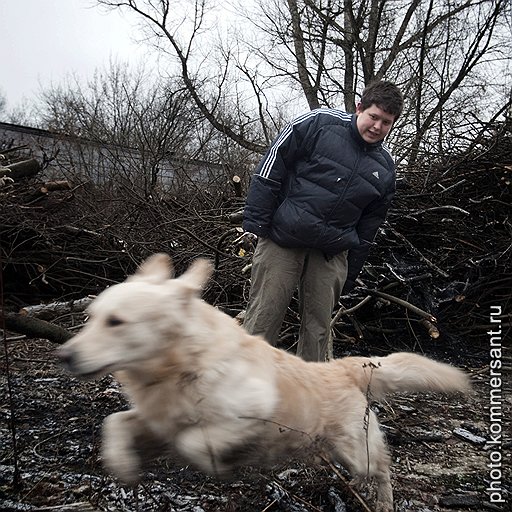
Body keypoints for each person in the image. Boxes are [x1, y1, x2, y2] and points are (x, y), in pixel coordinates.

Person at [242, 80, 404, 362]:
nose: (377, 126)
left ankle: (313, 395)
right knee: (263, 317)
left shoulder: (385, 167)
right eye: (373, 117)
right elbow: (271, 166)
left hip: (331, 252)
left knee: (318, 328)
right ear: (359, 108)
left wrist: (351, 272)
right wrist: (258, 225)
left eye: (386, 122)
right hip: (284, 238)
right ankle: (242, 388)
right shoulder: (318, 123)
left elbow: (369, 226)